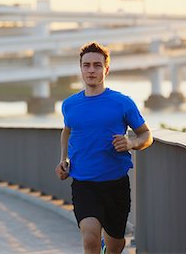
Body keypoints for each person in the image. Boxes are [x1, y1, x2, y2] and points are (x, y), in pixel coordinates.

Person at [55, 42, 153, 254]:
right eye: (86, 65)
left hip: (115, 185)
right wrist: (64, 159)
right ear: (80, 68)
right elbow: (67, 131)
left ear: (106, 69)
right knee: (90, 239)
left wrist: (131, 143)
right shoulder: (70, 104)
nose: (91, 70)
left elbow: (146, 135)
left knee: (115, 244)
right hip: (84, 184)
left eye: (97, 65)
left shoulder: (122, 103)